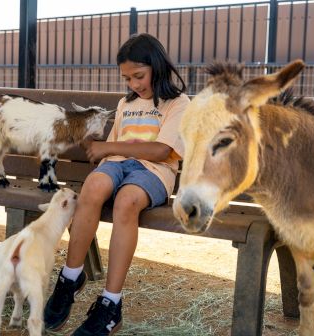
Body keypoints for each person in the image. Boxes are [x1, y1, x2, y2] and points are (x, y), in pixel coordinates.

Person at [43, 32, 190, 336]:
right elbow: (110, 150)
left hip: (155, 171)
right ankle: (70, 279)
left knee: (127, 201)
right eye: (127, 79)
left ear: (157, 66)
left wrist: (109, 149)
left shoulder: (178, 103)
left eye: (139, 75)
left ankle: (111, 305)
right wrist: (100, 148)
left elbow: (162, 151)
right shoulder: (126, 103)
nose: (134, 84)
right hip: (118, 164)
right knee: (92, 189)